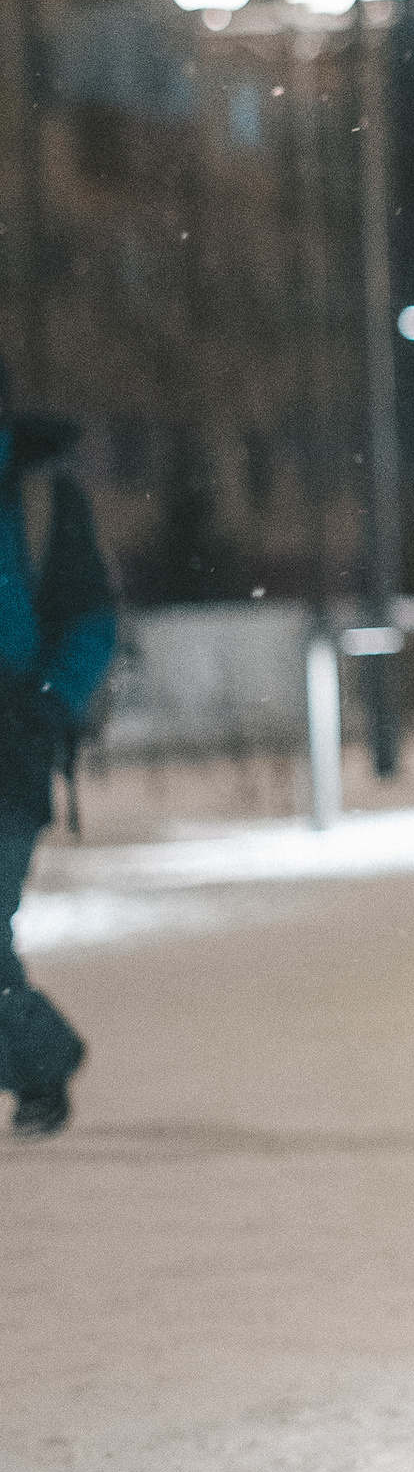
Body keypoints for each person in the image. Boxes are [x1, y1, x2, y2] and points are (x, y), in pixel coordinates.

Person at [0, 357, 118, 1138]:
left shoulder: (43, 500)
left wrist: (46, 702)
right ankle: (41, 1060)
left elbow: (92, 620)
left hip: (11, 748)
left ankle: (42, 1059)